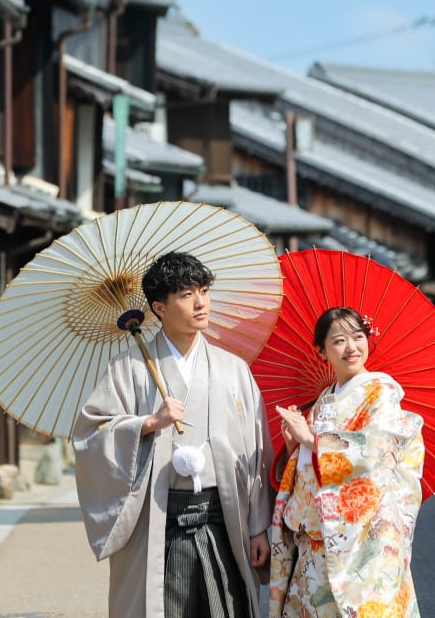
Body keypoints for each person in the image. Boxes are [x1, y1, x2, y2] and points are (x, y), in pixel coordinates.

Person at [72, 252, 272, 618]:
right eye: (185, 294)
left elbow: (257, 452)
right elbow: (91, 433)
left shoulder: (234, 370)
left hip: (223, 518)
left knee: (225, 608)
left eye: (204, 290)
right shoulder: (128, 369)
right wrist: (147, 423)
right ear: (159, 308)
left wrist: (258, 527)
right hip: (157, 518)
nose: (200, 302)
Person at [269, 307, 424, 618]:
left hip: (365, 537)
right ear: (322, 352)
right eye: (339, 340)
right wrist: (294, 445)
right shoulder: (323, 399)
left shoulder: (382, 391)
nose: (352, 347)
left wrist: (312, 442)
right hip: (318, 538)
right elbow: (306, 470)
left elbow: (376, 452)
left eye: (358, 336)